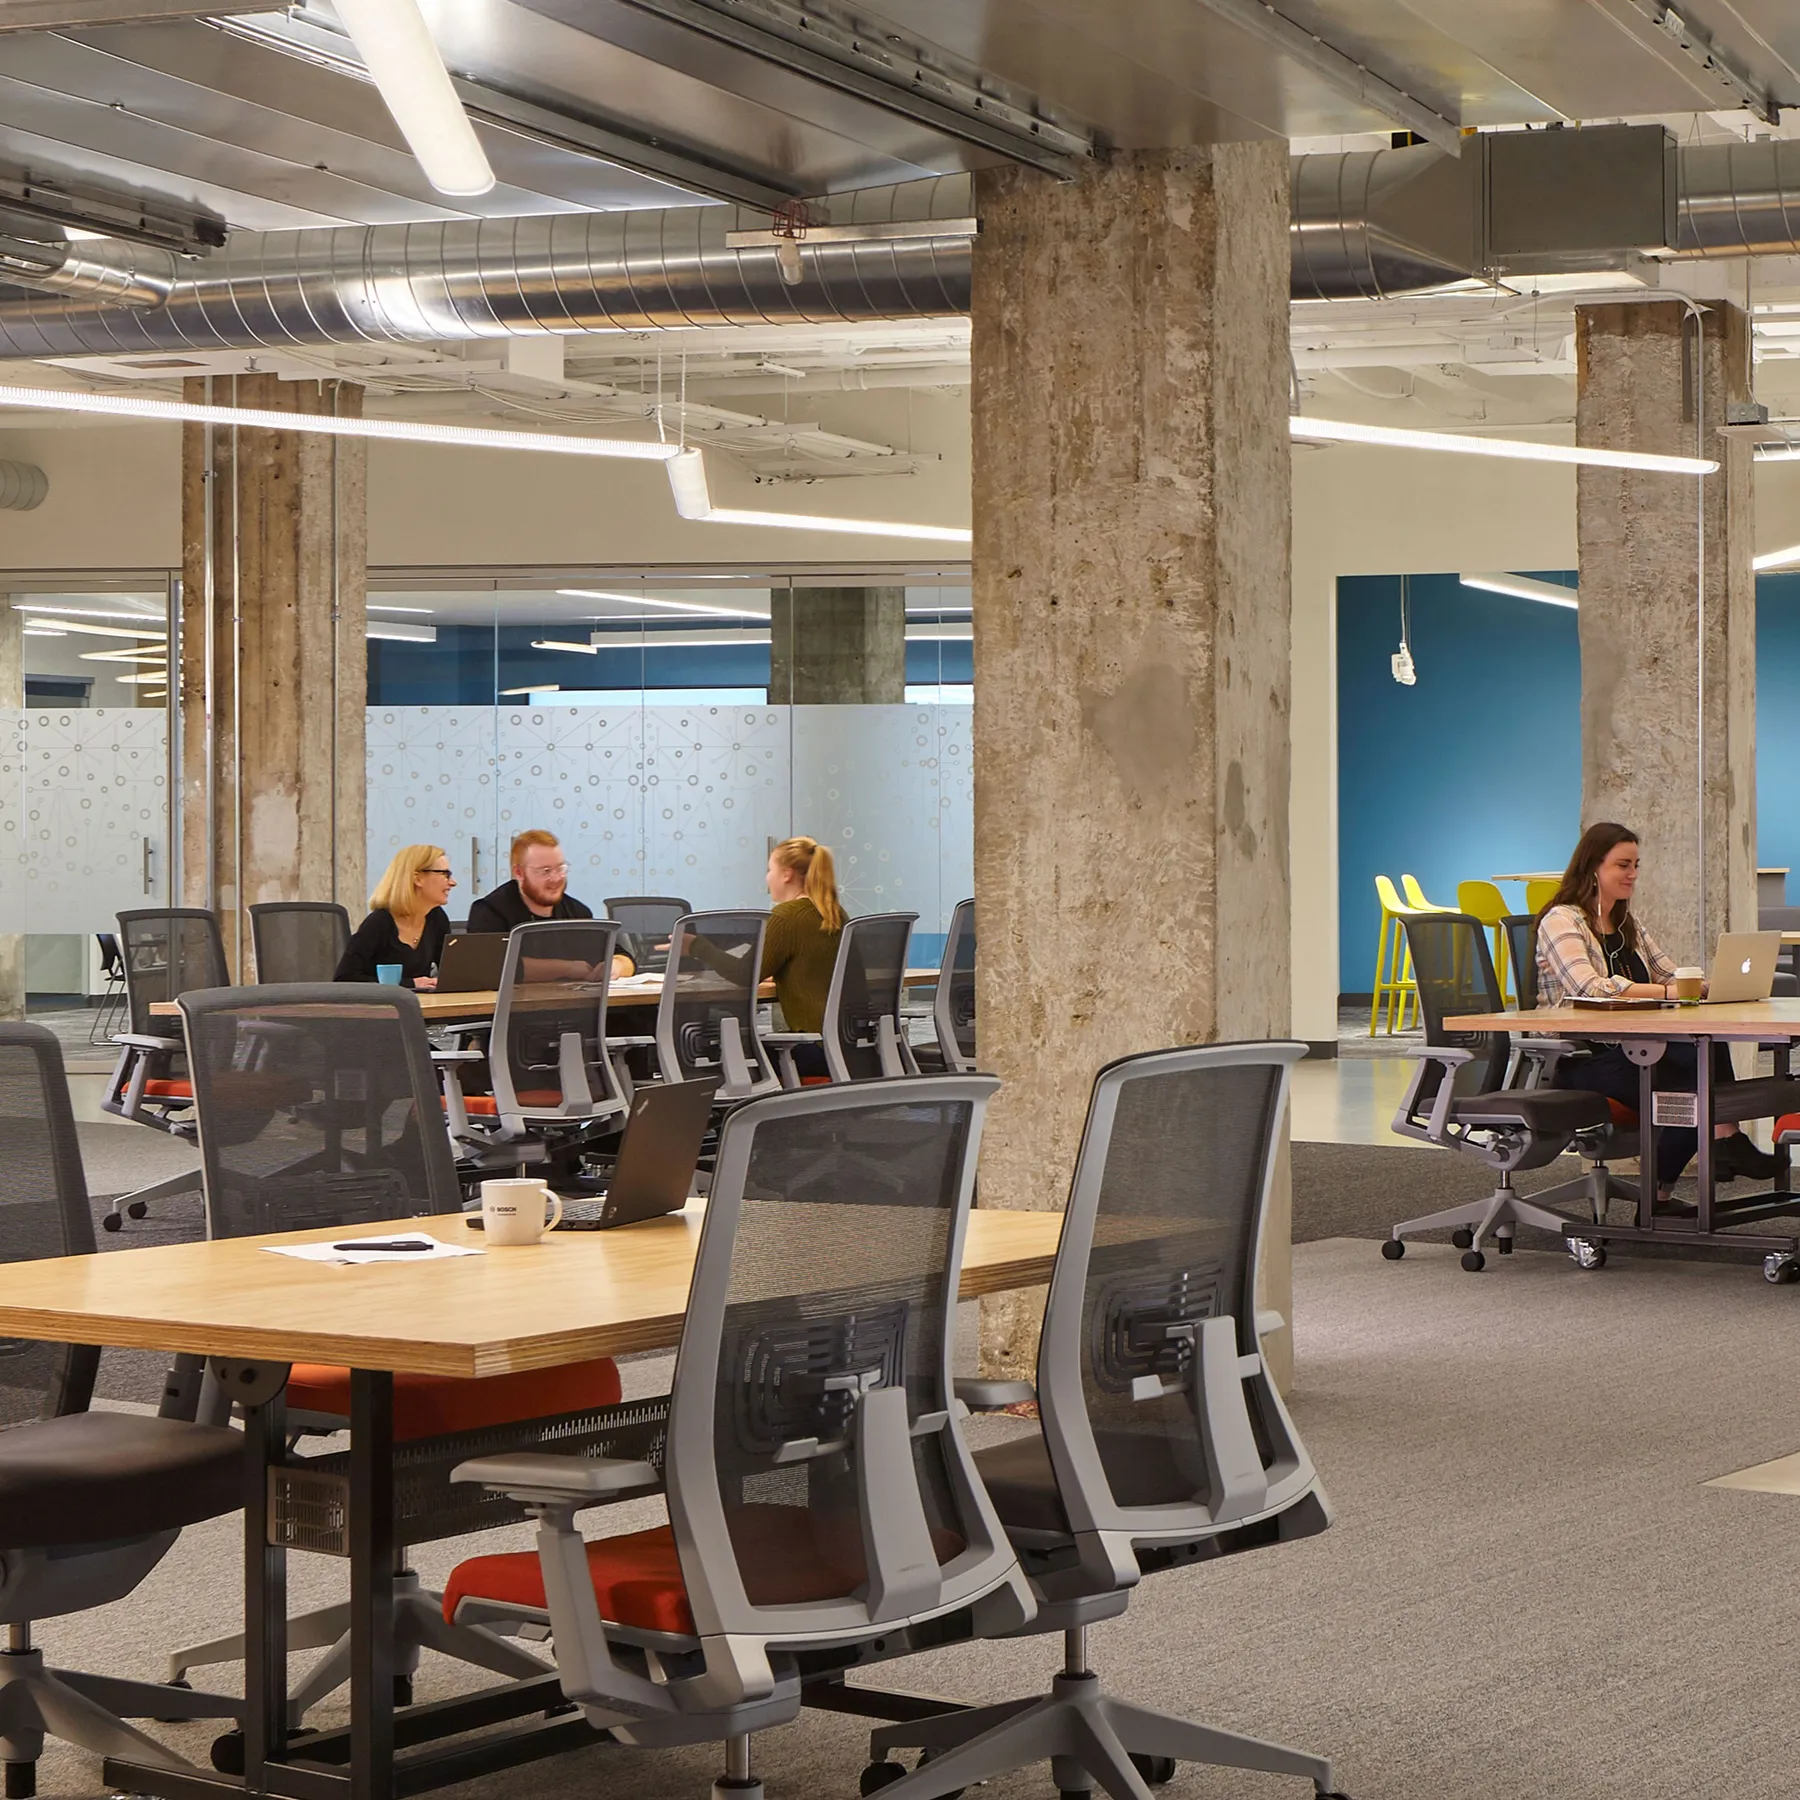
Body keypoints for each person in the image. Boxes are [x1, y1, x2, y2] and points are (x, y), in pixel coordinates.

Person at [1537, 821, 1780, 1200]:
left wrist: (1708, 987)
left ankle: (1710, 1153)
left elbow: (1668, 972)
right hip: (1584, 1058)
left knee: (1705, 1047)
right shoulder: (1563, 920)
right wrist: (1669, 991)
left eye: (1636, 865)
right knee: (1692, 1078)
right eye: (1622, 865)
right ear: (1592, 868)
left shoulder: (1625, 923)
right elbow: (1589, 987)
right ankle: (1715, 1149)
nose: (1632, 874)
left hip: (1630, 1049)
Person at [465, 828, 633, 981]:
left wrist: (615, 966)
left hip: (570, 1006)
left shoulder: (576, 911)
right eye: (545, 871)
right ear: (519, 873)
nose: (556, 879)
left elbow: (623, 956)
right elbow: (491, 967)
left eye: (560, 868)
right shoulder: (489, 911)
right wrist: (567, 968)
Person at [762, 836, 846, 1074]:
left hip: (815, 1048)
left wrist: (696, 947)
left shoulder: (786, 915)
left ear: (786, 874)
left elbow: (743, 976)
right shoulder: (835, 912)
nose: (767, 878)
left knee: (732, 1053)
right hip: (848, 1046)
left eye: (770, 870)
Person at [336, 845, 454, 988]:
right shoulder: (379, 922)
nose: (453, 882)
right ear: (418, 879)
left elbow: (451, 972)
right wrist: (409, 984)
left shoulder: (436, 918)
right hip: (380, 1007)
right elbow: (344, 979)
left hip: (422, 1005)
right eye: (445, 874)